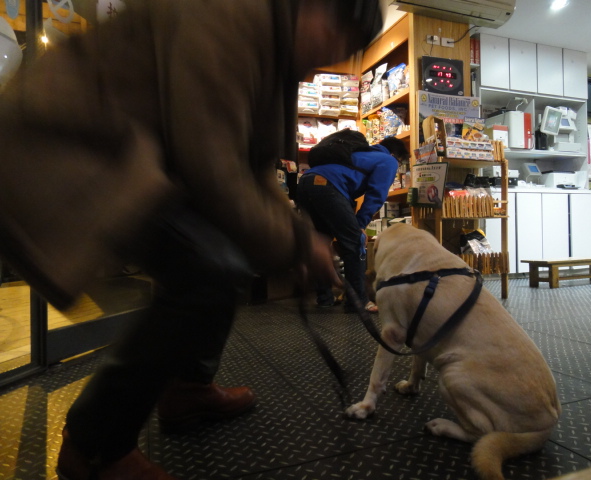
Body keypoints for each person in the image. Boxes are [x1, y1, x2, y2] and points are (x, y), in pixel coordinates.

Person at [0, 1, 384, 479]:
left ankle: (186, 390)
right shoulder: (228, 15)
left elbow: (254, 167)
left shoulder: (276, 53)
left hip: (140, 159)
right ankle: (94, 445)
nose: (330, 56)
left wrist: (297, 237)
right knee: (209, 265)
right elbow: (213, 167)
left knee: (224, 256)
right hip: (67, 144)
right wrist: (295, 243)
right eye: (336, 38)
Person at [296, 135, 409, 313]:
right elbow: (376, 196)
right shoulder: (388, 160)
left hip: (305, 182)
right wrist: (360, 225)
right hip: (328, 187)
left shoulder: (360, 153)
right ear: (396, 155)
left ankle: (325, 298)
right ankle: (358, 301)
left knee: (321, 242)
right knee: (355, 242)